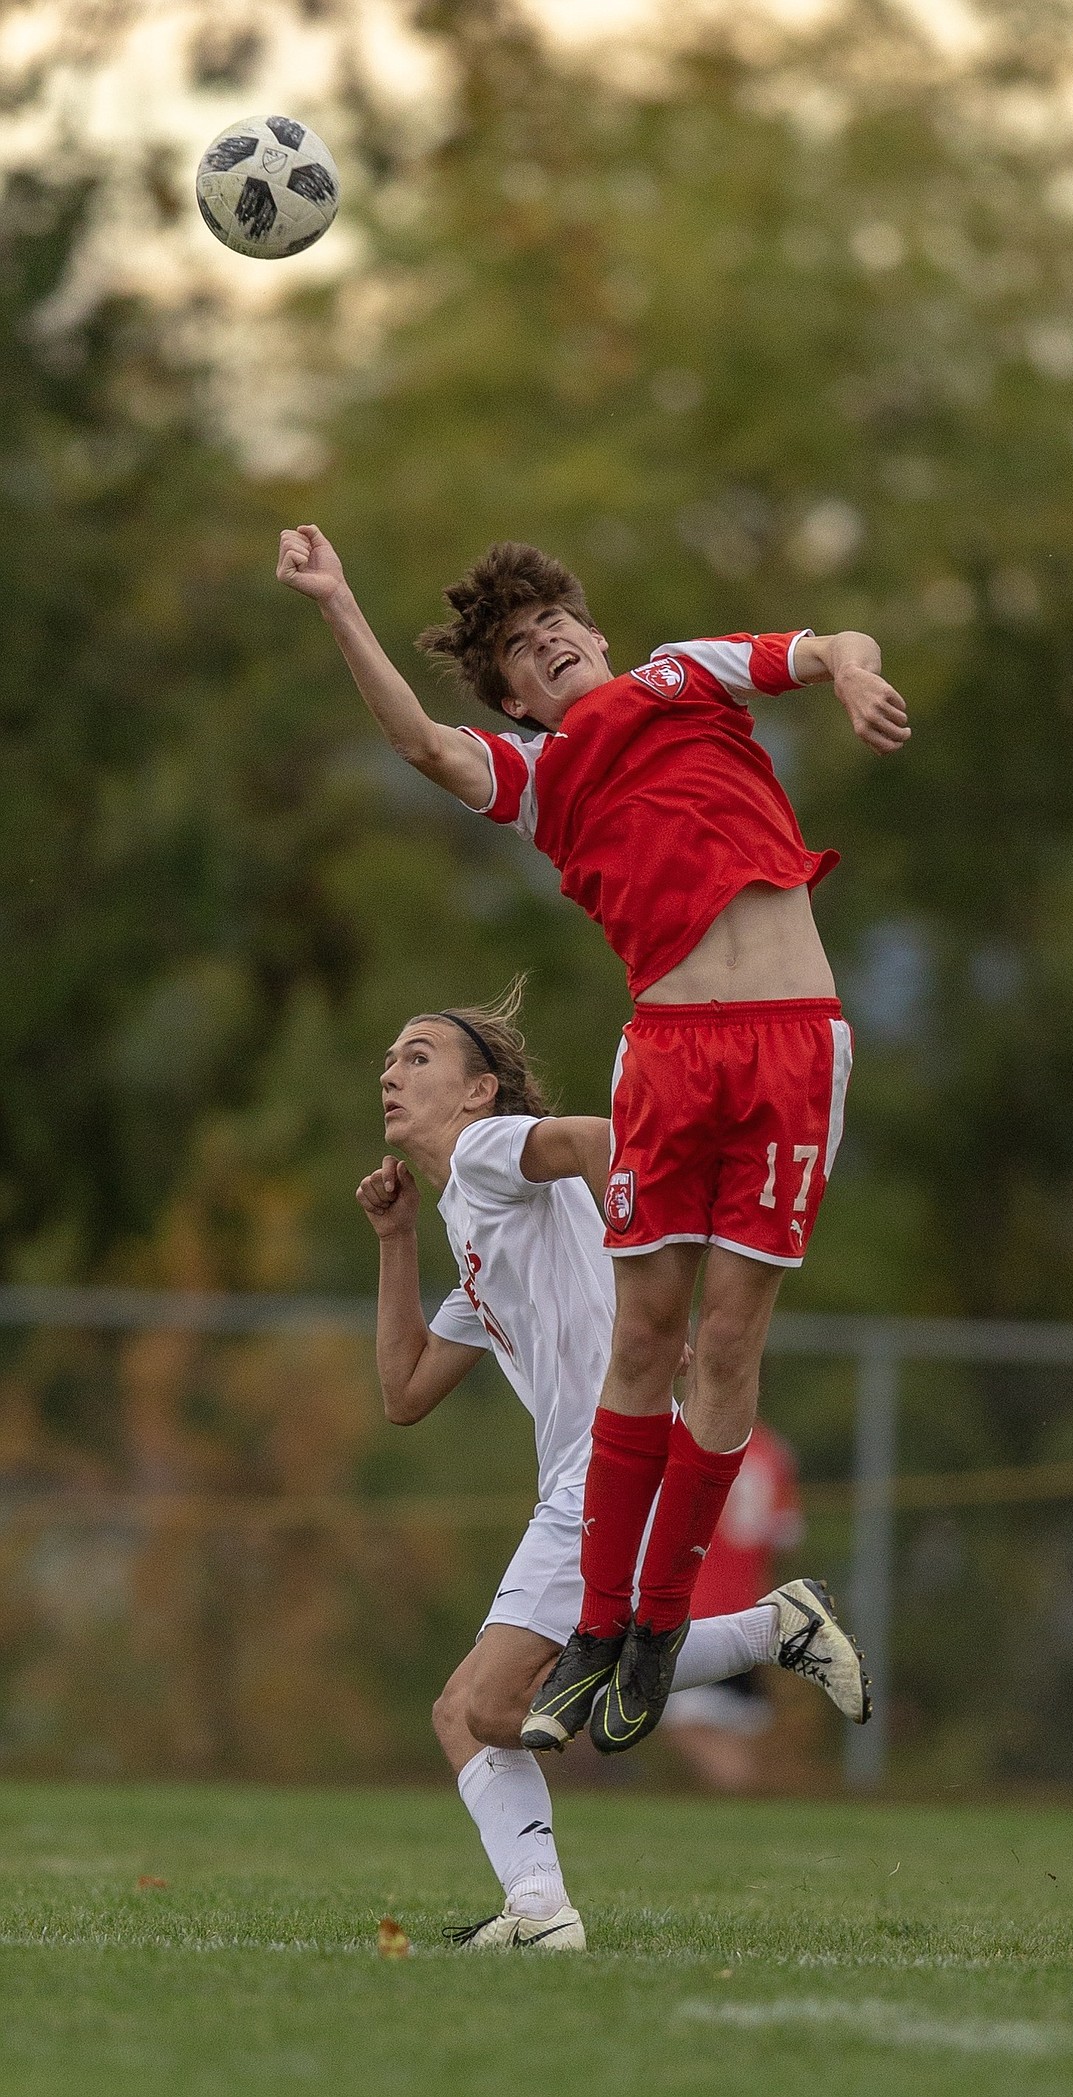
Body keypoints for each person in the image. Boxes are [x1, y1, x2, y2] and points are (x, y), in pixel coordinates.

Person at [279, 524, 906, 1754]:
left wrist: (854, 673)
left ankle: (655, 1626)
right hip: (668, 1054)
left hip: (790, 1041)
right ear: (514, 695)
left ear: (598, 633)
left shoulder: (683, 673)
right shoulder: (535, 776)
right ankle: (607, 1630)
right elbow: (415, 743)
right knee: (649, 1340)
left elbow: (828, 640)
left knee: (728, 1342)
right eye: (519, 645)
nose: (549, 641)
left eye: (558, 620)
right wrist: (338, 600)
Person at [358, 983, 869, 1950]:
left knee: (491, 1705)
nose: (392, 1070)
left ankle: (770, 1631)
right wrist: (394, 1244)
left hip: (604, 1465)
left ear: (479, 1093)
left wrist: (655, 1307)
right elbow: (406, 1390)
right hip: (581, 1475)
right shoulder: (471, 1219)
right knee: (462, 1711)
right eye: (389, 1057)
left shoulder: (489, 1149)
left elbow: (602, 1138)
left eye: (420, 1055)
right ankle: (542, 1909)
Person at [662, 1420, 808, 1793]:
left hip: (697, 1609)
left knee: (684, 1723)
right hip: (752, 1611)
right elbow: (786, 1539)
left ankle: (746, 1797)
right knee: (737, 1728)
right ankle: (747, 1809)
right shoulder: (773, 1451)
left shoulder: (688, 1439)